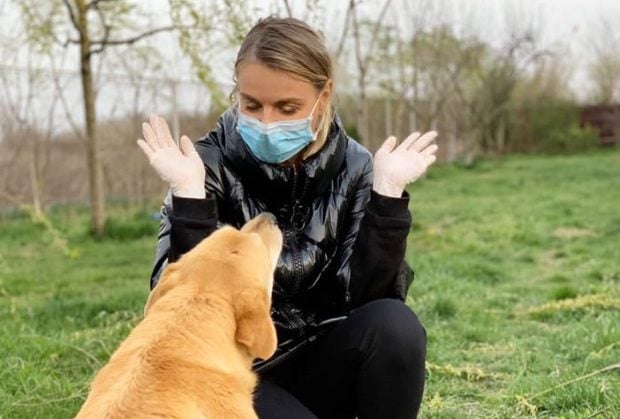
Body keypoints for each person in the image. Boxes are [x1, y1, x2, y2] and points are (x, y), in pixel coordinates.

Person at [137, 16, 438, 419]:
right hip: (235, 377)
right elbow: (175, 311)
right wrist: (189, 201)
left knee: (395, 326)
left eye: (287, 107)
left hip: (324, 363)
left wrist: (386, 197)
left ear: (323, 95)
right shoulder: (201, 168)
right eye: (252, 105)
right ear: (237, 96)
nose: (266, 122)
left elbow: (370, 303)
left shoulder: (358, 167)